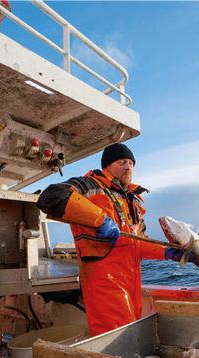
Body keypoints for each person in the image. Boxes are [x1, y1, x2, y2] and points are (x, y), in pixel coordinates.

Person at [37, 143, 189, 336]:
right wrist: (99, 219)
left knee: (129, 337)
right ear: (107, 166)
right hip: (104, 287)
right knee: (115, 341)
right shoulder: (90, 185)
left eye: (131, 163)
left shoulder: (132, 200)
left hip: (131, 286)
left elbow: (138, 243)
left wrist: (166, 252)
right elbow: (51, 197)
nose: (127, 167)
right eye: (121, 162)